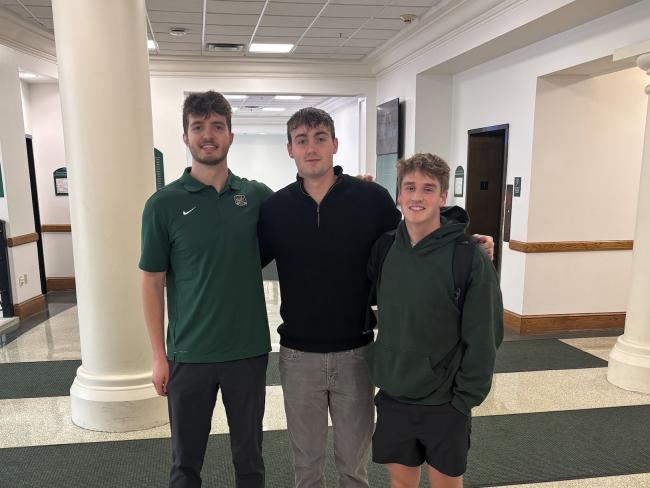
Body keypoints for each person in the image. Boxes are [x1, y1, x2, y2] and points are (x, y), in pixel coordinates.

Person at [258, 109, 495, 488]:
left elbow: (416, 233)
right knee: (306, 468)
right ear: (290, 149)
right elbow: (245, 262)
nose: (311, 148)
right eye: (301, 140)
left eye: (320, 138)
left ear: (335, 144)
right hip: (298, 356)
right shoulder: (275, 208)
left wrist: (465, 241)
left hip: (357, 355)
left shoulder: (371, 199)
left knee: (354, 466)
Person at [139, 91, 272, 488]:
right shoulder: (163, 205)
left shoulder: (256, 197)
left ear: (231, 135)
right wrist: (158, 356)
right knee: (185, 464)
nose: (208, 135)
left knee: (250, 460)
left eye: (217, 126)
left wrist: (351, 189)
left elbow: (305, 212)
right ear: (186, 137)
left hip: (247, 351)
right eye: (198, 127)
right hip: (189, 354)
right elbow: (152, 281)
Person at [366, 153, 504, 488]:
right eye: (409, 187)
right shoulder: (385, 248)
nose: (417, 197)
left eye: (428, 189)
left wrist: (463, 401)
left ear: (443, 197)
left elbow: (485, 337)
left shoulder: (468, 257)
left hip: (445, 402)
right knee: (401, 483)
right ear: (398, 194)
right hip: (395, 394)